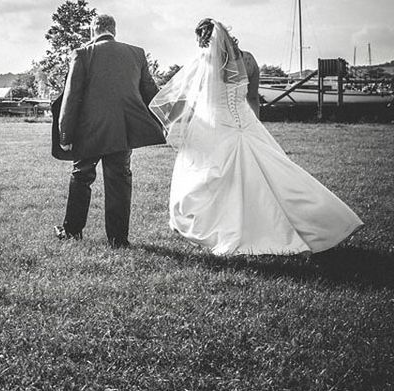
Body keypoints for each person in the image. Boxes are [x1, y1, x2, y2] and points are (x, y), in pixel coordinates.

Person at [149, 18, 362, 255]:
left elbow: (184, 100)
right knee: (275, 172)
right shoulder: (248, 60)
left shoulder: (203, 61)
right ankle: (323, 217)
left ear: (203, 39)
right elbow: (252, 97)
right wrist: (253, 124)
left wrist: (166, 122)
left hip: (216, 124)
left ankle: (224, 223)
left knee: (208, 174)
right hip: (246, 121)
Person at [55, 14, 166, 248]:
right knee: (119, 181)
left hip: (90, 131)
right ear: (114, 30)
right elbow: (151, 93)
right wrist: (167, 119)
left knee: (81, 176)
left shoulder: (82, 53)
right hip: (122, 130)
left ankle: (72, 231)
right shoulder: (136, 53)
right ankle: (118, 239)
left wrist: (65, 134)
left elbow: (71, 97)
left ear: (93, 30)